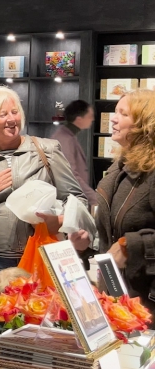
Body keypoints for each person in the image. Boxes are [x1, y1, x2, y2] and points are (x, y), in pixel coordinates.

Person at [0, 85, 85, 289]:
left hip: (42, 254)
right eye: (2, 114)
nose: (11, 119)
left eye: (15, 112)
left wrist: (60, 220)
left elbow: (77, 199)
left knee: (41, 317)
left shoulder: (47, 150)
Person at [69, 90, 155, 313]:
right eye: (115, 111)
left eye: (123, 113)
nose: (113, 118)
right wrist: (88, 245)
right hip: (116, 297)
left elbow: (123, 243)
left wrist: (131, 247)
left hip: (147, 302)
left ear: (145, 124)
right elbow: (111, 237)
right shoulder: (119, 169)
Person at [50, 99, 99, 207]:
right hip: (67, 201)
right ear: (79, 119)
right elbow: (71, 174)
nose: (93, 119)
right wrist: (93, 197)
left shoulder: (67, 136)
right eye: (90, 116)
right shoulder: (65, 139)